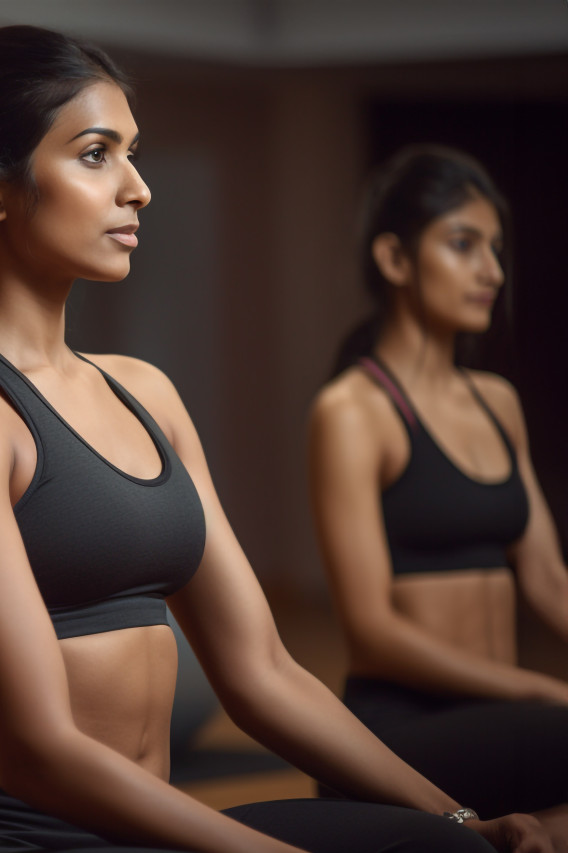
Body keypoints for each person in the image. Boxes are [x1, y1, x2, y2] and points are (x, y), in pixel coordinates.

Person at [0, 26, 551, 853]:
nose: (138, 188)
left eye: (133, 153)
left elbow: (262, 672)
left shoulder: (146, 391)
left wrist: (462, 817)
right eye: (95, 154)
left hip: (141, 823)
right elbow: (36, 750)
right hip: (9, 831)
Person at [307, 145, 568, 844]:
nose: (493, 271)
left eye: (496, 249)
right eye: (464, 245)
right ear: (394, 260)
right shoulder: (354, 410)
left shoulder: (498, 401)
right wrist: (546, 690)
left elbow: (547, 578)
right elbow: (372, 633)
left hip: (505, 717)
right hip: (405, 728)